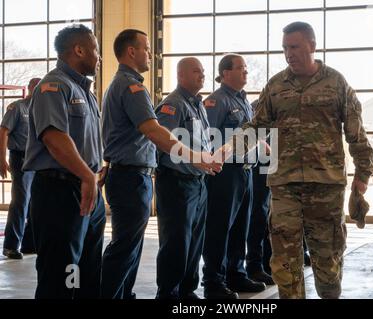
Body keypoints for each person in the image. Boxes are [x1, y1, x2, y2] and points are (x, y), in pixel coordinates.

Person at [217, 21, 373, 299]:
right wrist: (228, 148)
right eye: (285, 48)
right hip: (285, 186)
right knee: (285, 262)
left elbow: (355, 134)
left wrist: (363, 175)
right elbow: (257, 125)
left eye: (294, 47)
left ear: (312, 46)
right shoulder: (276, 86)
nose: (289, 54)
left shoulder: (336, 83)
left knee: (328, 261)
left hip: (326, 186)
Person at [100, 30, 221, 299]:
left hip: (138, 175)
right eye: (146, 48)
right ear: (131, 51)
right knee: (127, 247)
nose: (150, 54)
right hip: (135, 176)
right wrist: (196, 157)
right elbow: (155, 133)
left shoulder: (127, 84)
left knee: (132, 247)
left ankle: (125, 294)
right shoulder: (132, 87)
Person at [23, 24, 106, 299]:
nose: (99, 57)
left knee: (88, 272)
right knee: (62, 275)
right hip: (61, 193)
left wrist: (95, 174)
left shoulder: (85, 91)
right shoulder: (54, 86)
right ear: (79, 50)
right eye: (95, 49)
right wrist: (86, 176)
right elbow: (54, 138)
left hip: (88, 190)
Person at [202, 54, 266, 299]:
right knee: (220, 227)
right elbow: (208, 138)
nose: (246, 72)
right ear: (225, 73)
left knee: (241, 226)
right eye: (241, 68)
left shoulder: (244, 102)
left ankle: (236, 274)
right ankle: (213, 281)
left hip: (246, 172)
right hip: (225, 173)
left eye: (246, 68)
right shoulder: (216, 102)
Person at [154, 57, 211, 299]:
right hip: (176, 182)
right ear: (181, 76)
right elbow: (163, 143)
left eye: (203, 71)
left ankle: (187, 290)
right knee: (176, 242)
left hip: (198, 182)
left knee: (195, 241)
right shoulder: (173, 105)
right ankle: (168, 293)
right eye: (196, 71)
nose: (202, 75)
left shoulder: (197, 104)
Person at [1, 77, 41, 259]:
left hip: (39, 161)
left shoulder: (44, 109)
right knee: (21, 202)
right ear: (30, 88)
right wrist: (1, 158)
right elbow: (3, 131)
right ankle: (11, 246)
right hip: (21, 159)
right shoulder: (18, 107)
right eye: (36, 87)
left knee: (37, 202)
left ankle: (29, 244)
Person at [245, 99, 274, 284]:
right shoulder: (258, 106)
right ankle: (255, 266)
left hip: (273, 166)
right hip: (259, 167)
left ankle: (266, 263)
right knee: (258, 216)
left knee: (268, 218)